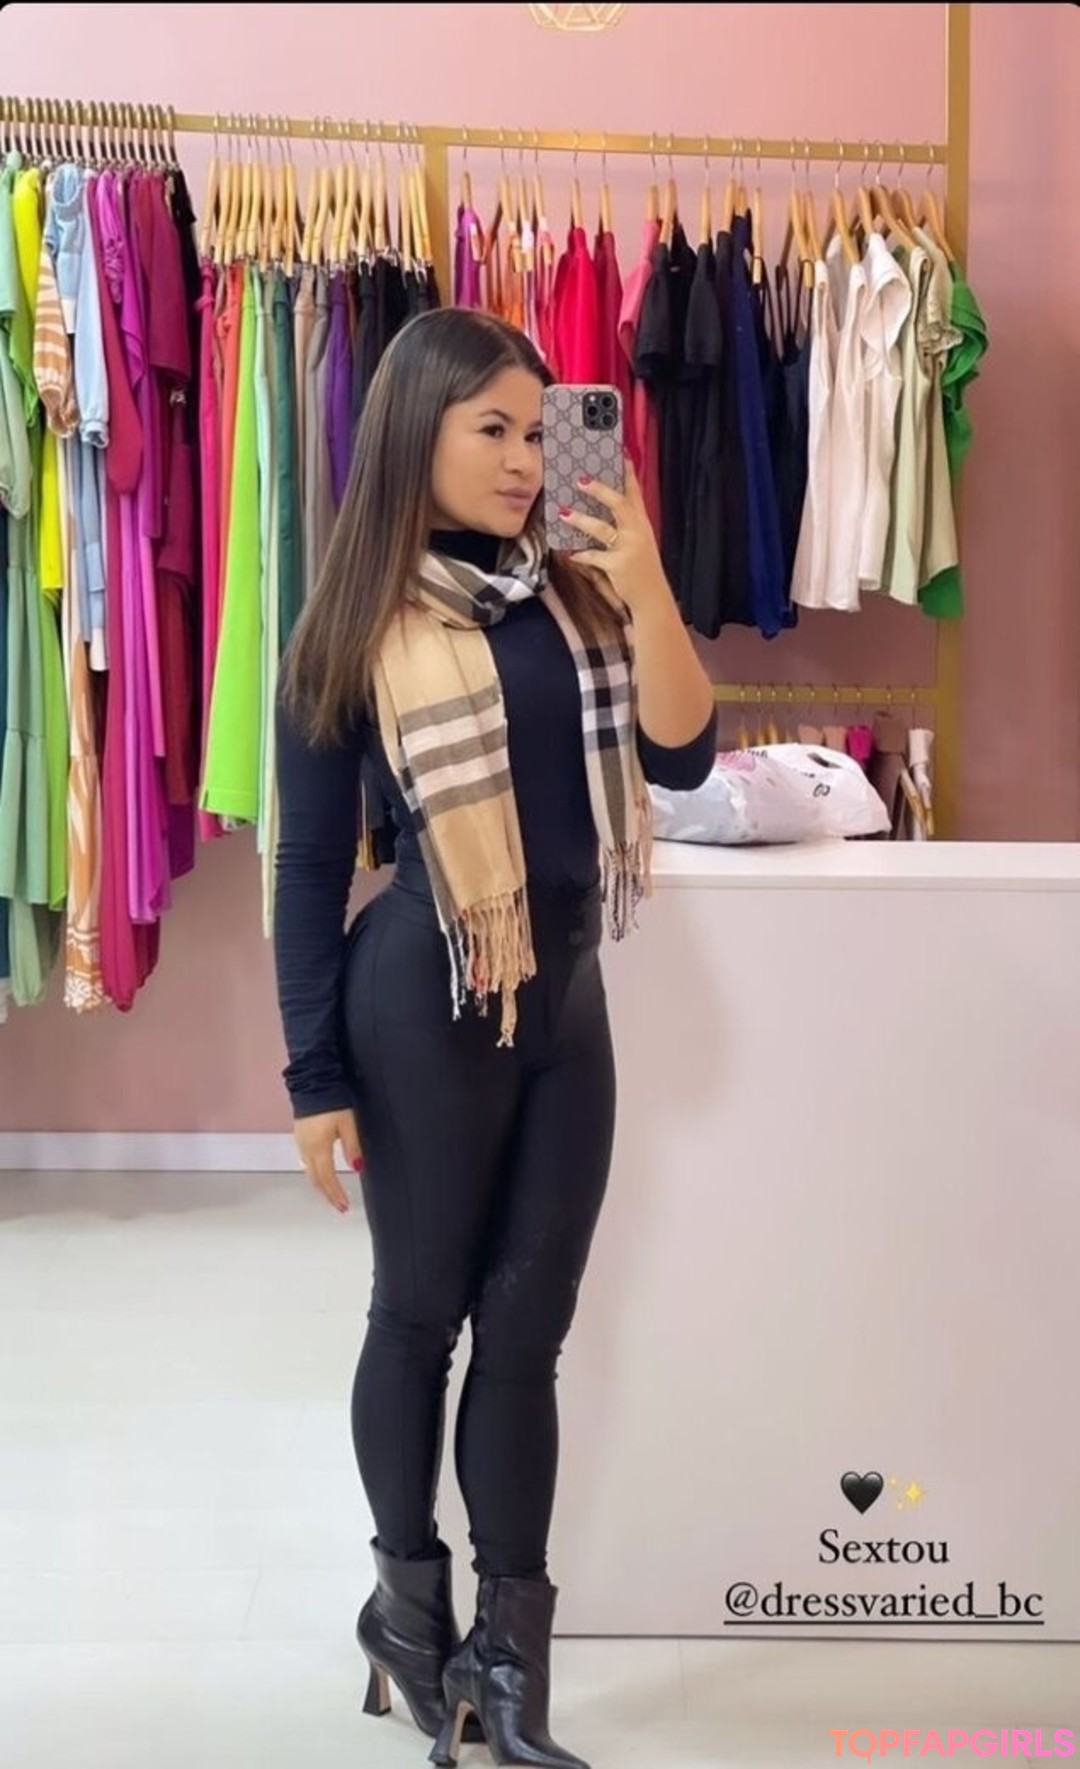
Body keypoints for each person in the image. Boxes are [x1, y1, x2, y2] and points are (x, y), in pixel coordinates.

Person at [272, 307, 717, 1769]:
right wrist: (314, 1079)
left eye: (540, 431)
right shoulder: (352, 627)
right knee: (418, 1317)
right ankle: (408, 1611)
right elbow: (307, 868)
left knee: (528, 1338)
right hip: (422, 999)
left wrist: (647, 586)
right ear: (419, 433)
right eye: (496, 430)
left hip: (566, 1004)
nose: (529, 459)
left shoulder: (575, 594)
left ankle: (508, 1664)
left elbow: (685, 752)